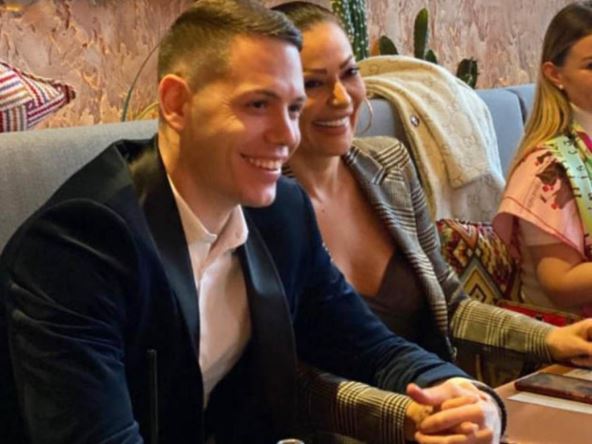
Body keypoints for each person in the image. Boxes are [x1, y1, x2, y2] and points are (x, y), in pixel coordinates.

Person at [0, 1, 506, 443]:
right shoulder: (79, 245)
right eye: (259, 104)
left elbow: (372, 348)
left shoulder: (282, 213)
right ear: (176, 104)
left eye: (294, 107)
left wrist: (469, 397)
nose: (287, 136)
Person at [272, 0, 592, 431]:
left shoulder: (389, 165)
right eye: (313, 83)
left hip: (448, 407)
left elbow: (452, 306)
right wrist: (409, 416)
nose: (341, 97)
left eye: (349, 73)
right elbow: (292, 379)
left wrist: (552, 338)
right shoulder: (263, 207)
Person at [494, 1, 592, 318]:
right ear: (554, 74)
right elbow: (559, 284)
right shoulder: (547, 168)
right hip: (570, 334)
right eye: (591, 65)